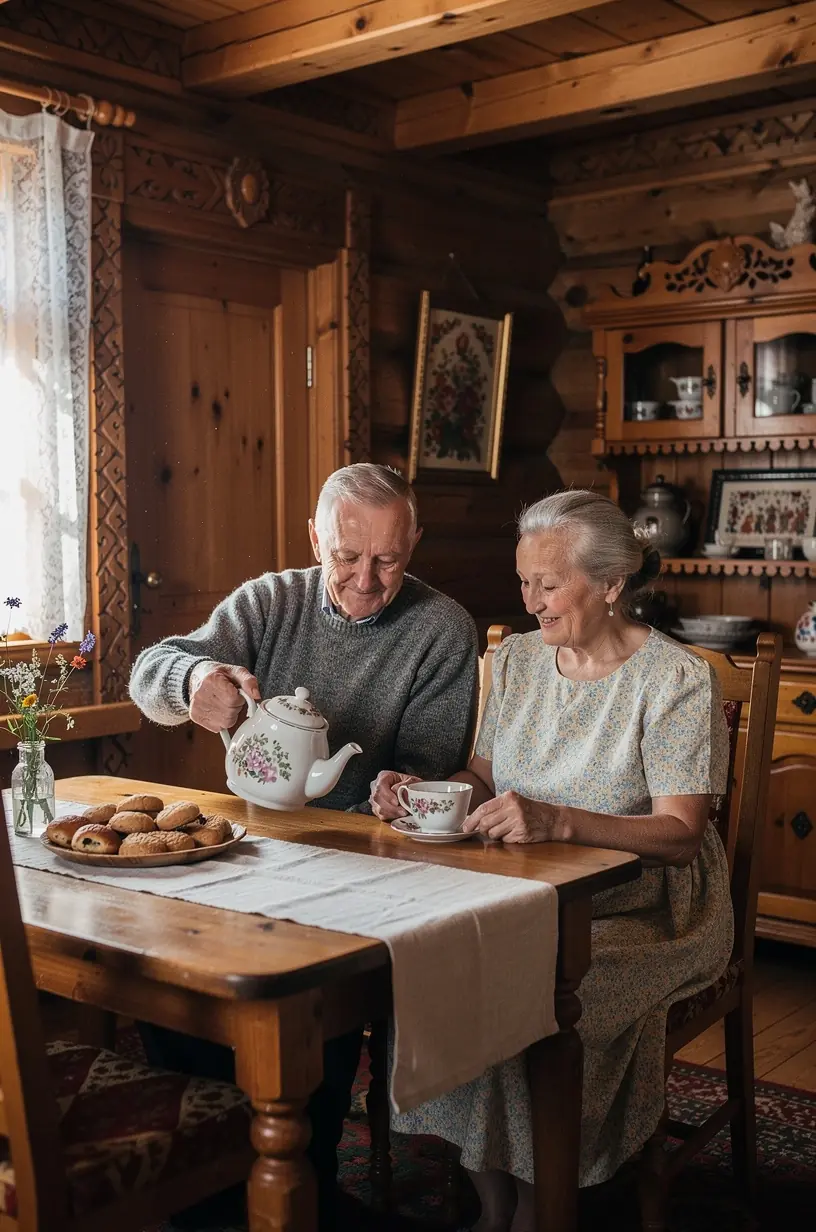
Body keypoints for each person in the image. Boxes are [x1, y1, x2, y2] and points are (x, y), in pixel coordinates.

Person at [370, 489, 734, 1232]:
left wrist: (559, 819)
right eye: (523, 581)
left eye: (549, 583)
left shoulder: (676, 679)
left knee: (541, 1000)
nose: (530, 600)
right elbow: (480, 778)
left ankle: (544, 1203)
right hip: (527, 891)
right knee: (440, 964)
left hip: (648, 906)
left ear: (610, 584)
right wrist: (421, 792)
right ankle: (493, 1199)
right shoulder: (515, 661)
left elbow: (680, 834)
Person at [129, 462, 479, 1229]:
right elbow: (147, 670)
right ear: (314, 537)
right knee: (165, 969)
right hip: (253, 846)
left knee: (299, 1003)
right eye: (347, 557)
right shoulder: (269, 601)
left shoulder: (440, 627)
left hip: (368, 860)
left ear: (413, 542)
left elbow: (428, 768)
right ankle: (220, 1181)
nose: (365, 580)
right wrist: (193, 683)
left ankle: (299, 1180)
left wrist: (397, 788)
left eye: (388, 560)